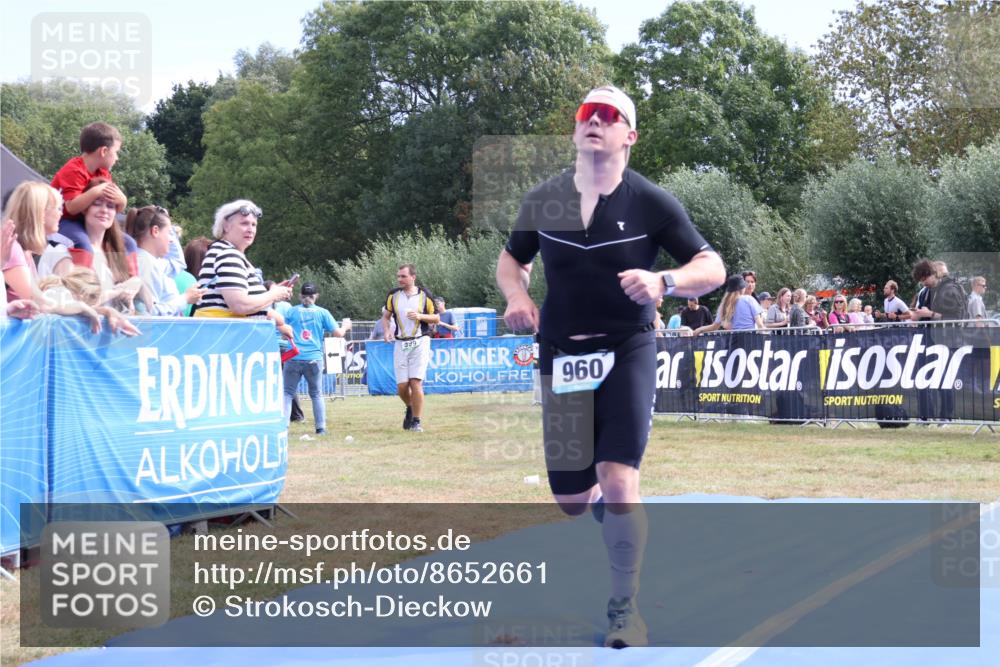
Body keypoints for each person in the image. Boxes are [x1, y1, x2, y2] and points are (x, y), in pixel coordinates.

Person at [496, 84, 725, 648]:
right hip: (562, 352)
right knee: (572, 501)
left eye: (608, 114)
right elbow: (512, 259)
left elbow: (712, 266)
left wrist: (665, 281)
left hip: (627, 347)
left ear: (630, 135)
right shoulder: (545, 198)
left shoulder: (650, 201)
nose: (594, 120)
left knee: (619, 480)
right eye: (586, 113)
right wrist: (517, 296)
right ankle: (602, 505)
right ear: (577, 128)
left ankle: (626, 608)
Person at [43, 178, 144, 312]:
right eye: (97, 204)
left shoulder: (118, 251)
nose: (104, 210)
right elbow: (76, 302)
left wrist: (137, 282)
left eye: (110, 206)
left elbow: (145, 306)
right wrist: (118, 290)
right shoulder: (62, 250)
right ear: (85, 209)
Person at [49, 122, 133, 270]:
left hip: (84, 222)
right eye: (116, 152)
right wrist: (97, 191)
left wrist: (123, 200)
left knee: (129, 243)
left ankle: (131, 278)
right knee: (82, 244)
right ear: (104, 151)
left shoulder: (103, 173)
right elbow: (71, 207)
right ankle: (84, 280)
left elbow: (113, 206)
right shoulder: (74, 170)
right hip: (60, 222)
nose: (117, 158)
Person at [192, 200, 291, 317]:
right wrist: (273, 295)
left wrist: (275, 292)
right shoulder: (228, 255)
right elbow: (240, 305)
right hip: (229, 328)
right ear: (226, 226)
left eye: (254, 225)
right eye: (244, 223)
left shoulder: (222, 251)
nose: (250, 229)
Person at [283, 282, 351, 436]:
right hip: (314, 358)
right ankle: (320, 429)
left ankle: (284, 428)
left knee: (287, 393)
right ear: (316, 296)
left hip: (293, 356)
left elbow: (283, 334)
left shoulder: (291, 312)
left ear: (300, 296)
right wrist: (346, 326)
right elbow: (338, 334)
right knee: (316, 394)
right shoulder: (322, 312)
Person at [382, 263, 438, 432]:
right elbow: (386, 316)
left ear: (413, 277)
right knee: (402, 386)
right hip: (400, 343)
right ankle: (410, 406)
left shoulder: (425, 295)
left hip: (420, 341)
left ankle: (416, 421)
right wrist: (387, 331)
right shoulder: (393, 295)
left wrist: (420, 316)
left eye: (403, 276)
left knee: (415, 382)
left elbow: (436, 318)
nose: (400, 279)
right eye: (398, 276)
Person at [125, 206, 204, 316]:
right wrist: (185, 298)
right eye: (168, 233)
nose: (171, 240)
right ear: (155, 231)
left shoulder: (147, 260)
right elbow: (149, 313)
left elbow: (178, 263)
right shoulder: (145, 263)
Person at [694, 275, 761, 334]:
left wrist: (699, 330)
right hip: (750, 339)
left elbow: (714, 327)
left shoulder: (724, 304)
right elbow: (760, 324)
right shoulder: (749, 299)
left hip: (733, 340)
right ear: (742, 288)